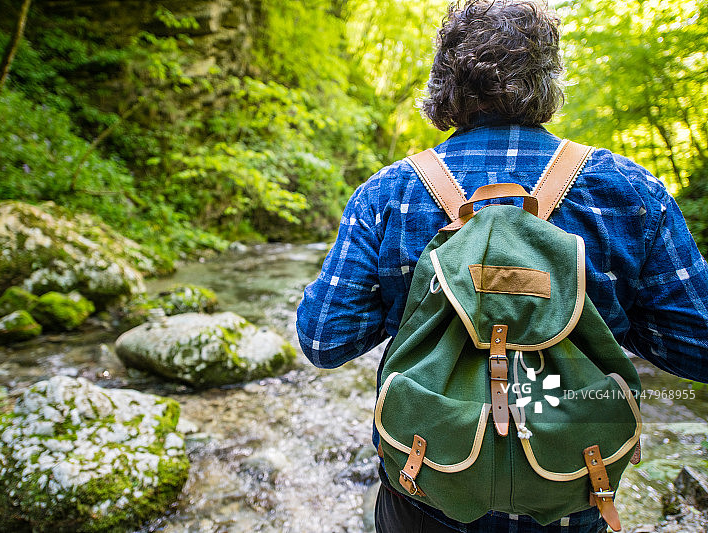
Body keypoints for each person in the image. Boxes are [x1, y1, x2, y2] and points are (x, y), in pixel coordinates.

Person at [296, 0, 708, 531]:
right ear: (549, 81)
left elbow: (324, 339)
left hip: (424, 489)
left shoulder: (388, 193)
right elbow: (699, 348)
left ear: (444, 84)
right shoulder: (630, 191)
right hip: (574, 488)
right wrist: (596, 314)